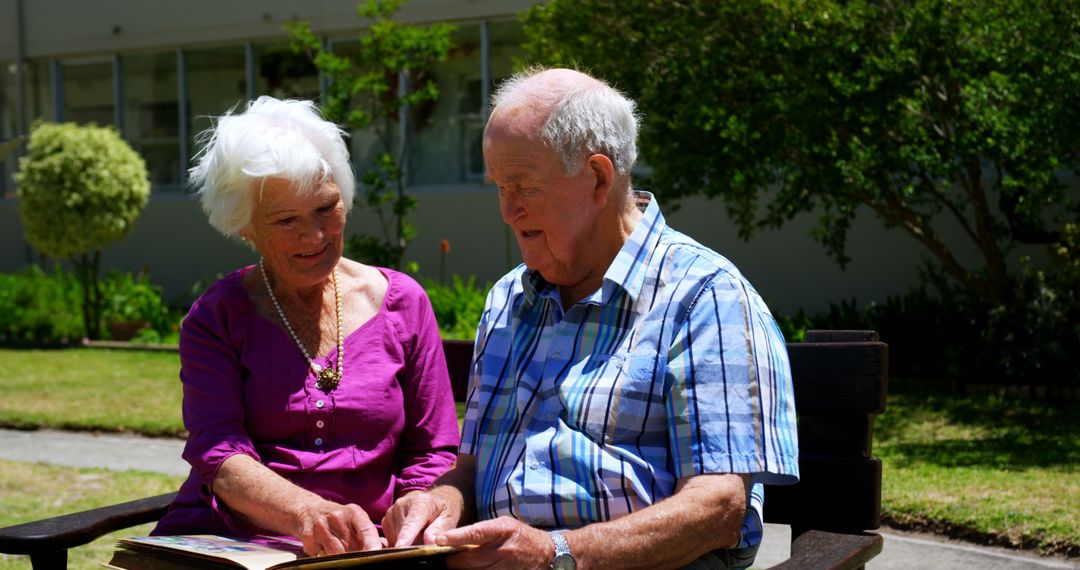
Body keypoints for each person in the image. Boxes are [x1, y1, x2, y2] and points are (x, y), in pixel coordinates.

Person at [382, 68, 800, 569]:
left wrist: (559, 554)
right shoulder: (508, 299)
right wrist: (442, 500)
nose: (507, 211)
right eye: (499, 187)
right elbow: (473, 467)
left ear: (598, 178)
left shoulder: (705, 297)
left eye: (523, 186)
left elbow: (719, 509)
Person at [152, 96, 460, 557]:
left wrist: (416, 506)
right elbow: (220, 454)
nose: (314, 236)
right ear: (245, 227)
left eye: (325, 208)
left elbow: (432, 448)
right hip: (233, 542)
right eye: (286, 220)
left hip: (363, 548)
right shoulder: (217, 317)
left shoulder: (403, 304)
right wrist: (308, 514)